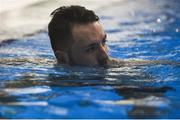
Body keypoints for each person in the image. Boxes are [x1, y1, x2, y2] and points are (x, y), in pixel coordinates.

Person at [48, 5, 179, 67]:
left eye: (104, 42)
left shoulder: (120, 74)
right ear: (63, 58)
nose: (104, 55)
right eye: (91, 49)